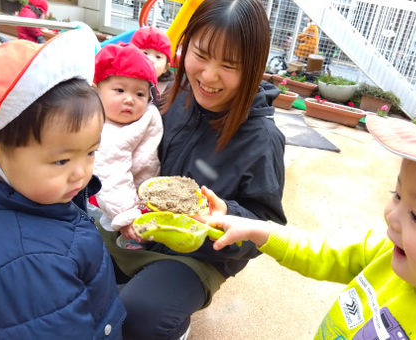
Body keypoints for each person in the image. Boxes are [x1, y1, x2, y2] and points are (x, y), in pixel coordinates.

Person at [205, 107, 416, 339]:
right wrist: (259, 230)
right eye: (398, 195)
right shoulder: (386, 254)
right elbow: (324, 254)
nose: (392, 216)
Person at [97, 0, 287, 339]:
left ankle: (173, 324)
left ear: (254, 67)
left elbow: (264, 229)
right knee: (66, 258)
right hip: (140, 228)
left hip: (196, 257)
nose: (208, 76)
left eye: (229, 65)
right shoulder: (176, 94)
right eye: (200, 55)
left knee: (140, 314)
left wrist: (223, 216)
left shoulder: (263, 139)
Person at [0, 28, 126, 338]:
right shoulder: (29, 265)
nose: (81, 173)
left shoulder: (29, 194)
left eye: (90, 152)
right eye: (61, 160)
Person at [92, 43, 163, 246]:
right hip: (115, 205)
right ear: (97, 91)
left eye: (140, 94)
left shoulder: (145, 116)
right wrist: (126, 215)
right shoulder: (107, 130)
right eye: (120, 90)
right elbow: (111, 175)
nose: (130, 100)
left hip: (142, 195)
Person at [131, 26, 174, 104]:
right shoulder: (121, 77)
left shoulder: (167, 90)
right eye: (145, 53)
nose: (150, 60)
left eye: (158, 57)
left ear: (166, 67)